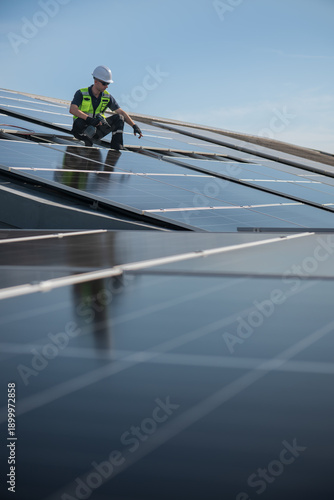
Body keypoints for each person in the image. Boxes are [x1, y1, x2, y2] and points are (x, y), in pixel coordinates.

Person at [69, 65, 143, 149]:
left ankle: (117, 148)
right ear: (96, 81)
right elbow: (73, 109)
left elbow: (121, 112)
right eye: (104, 83)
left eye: (108, 83)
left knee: (119, 118)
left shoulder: (107, 97)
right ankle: (86, 141)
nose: (106, 86)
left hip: (96, 131)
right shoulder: (81, 93)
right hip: (81, 130)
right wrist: (89, 119)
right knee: (79, 121)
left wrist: (133, 125)